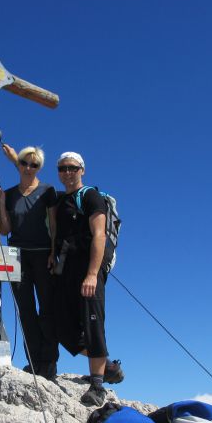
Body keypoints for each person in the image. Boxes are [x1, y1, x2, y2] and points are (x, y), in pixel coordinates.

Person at [49, 151, 124, 406]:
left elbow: (99, 235)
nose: (67, 173)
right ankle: (108, 366)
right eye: (62, 168)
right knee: (63, 329)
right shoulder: (60, 201)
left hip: (88, 268)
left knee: (92, 322)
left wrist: (93, 274)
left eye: (72, 168)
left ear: (82, 170)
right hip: (67, 268)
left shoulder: (90, 196)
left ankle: (97, 385)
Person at [0, 143, 59, 380]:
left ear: (39, 168)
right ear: (19, 164)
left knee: (47, 309)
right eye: (24, 163)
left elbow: (53, 225)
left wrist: (54, 252)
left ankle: (49, 363)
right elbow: (5, 229)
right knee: (25, 310)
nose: (28, 168)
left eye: (34, 165)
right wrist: (2, 204)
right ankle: (33, 363)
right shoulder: (12, 193)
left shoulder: (47, 191)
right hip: (17, 255)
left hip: (43, 253)